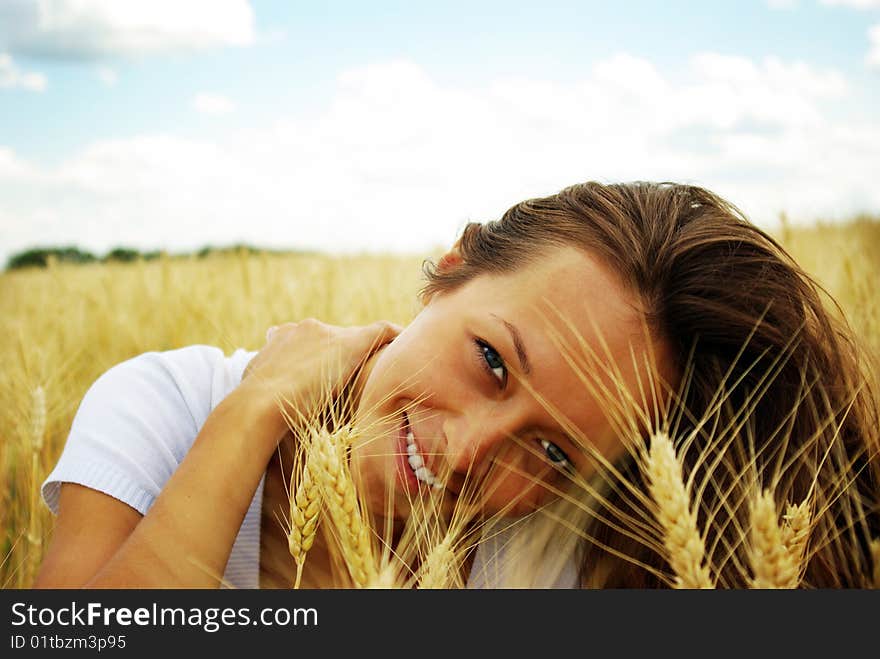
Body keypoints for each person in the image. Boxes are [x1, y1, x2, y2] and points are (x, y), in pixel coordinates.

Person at [34, 181, 879, 589]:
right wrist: (253, 409)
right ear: (452, 266)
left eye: (552, 450)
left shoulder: (550, 556)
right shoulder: (168, 406)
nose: (470, 451)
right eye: (494, 361)